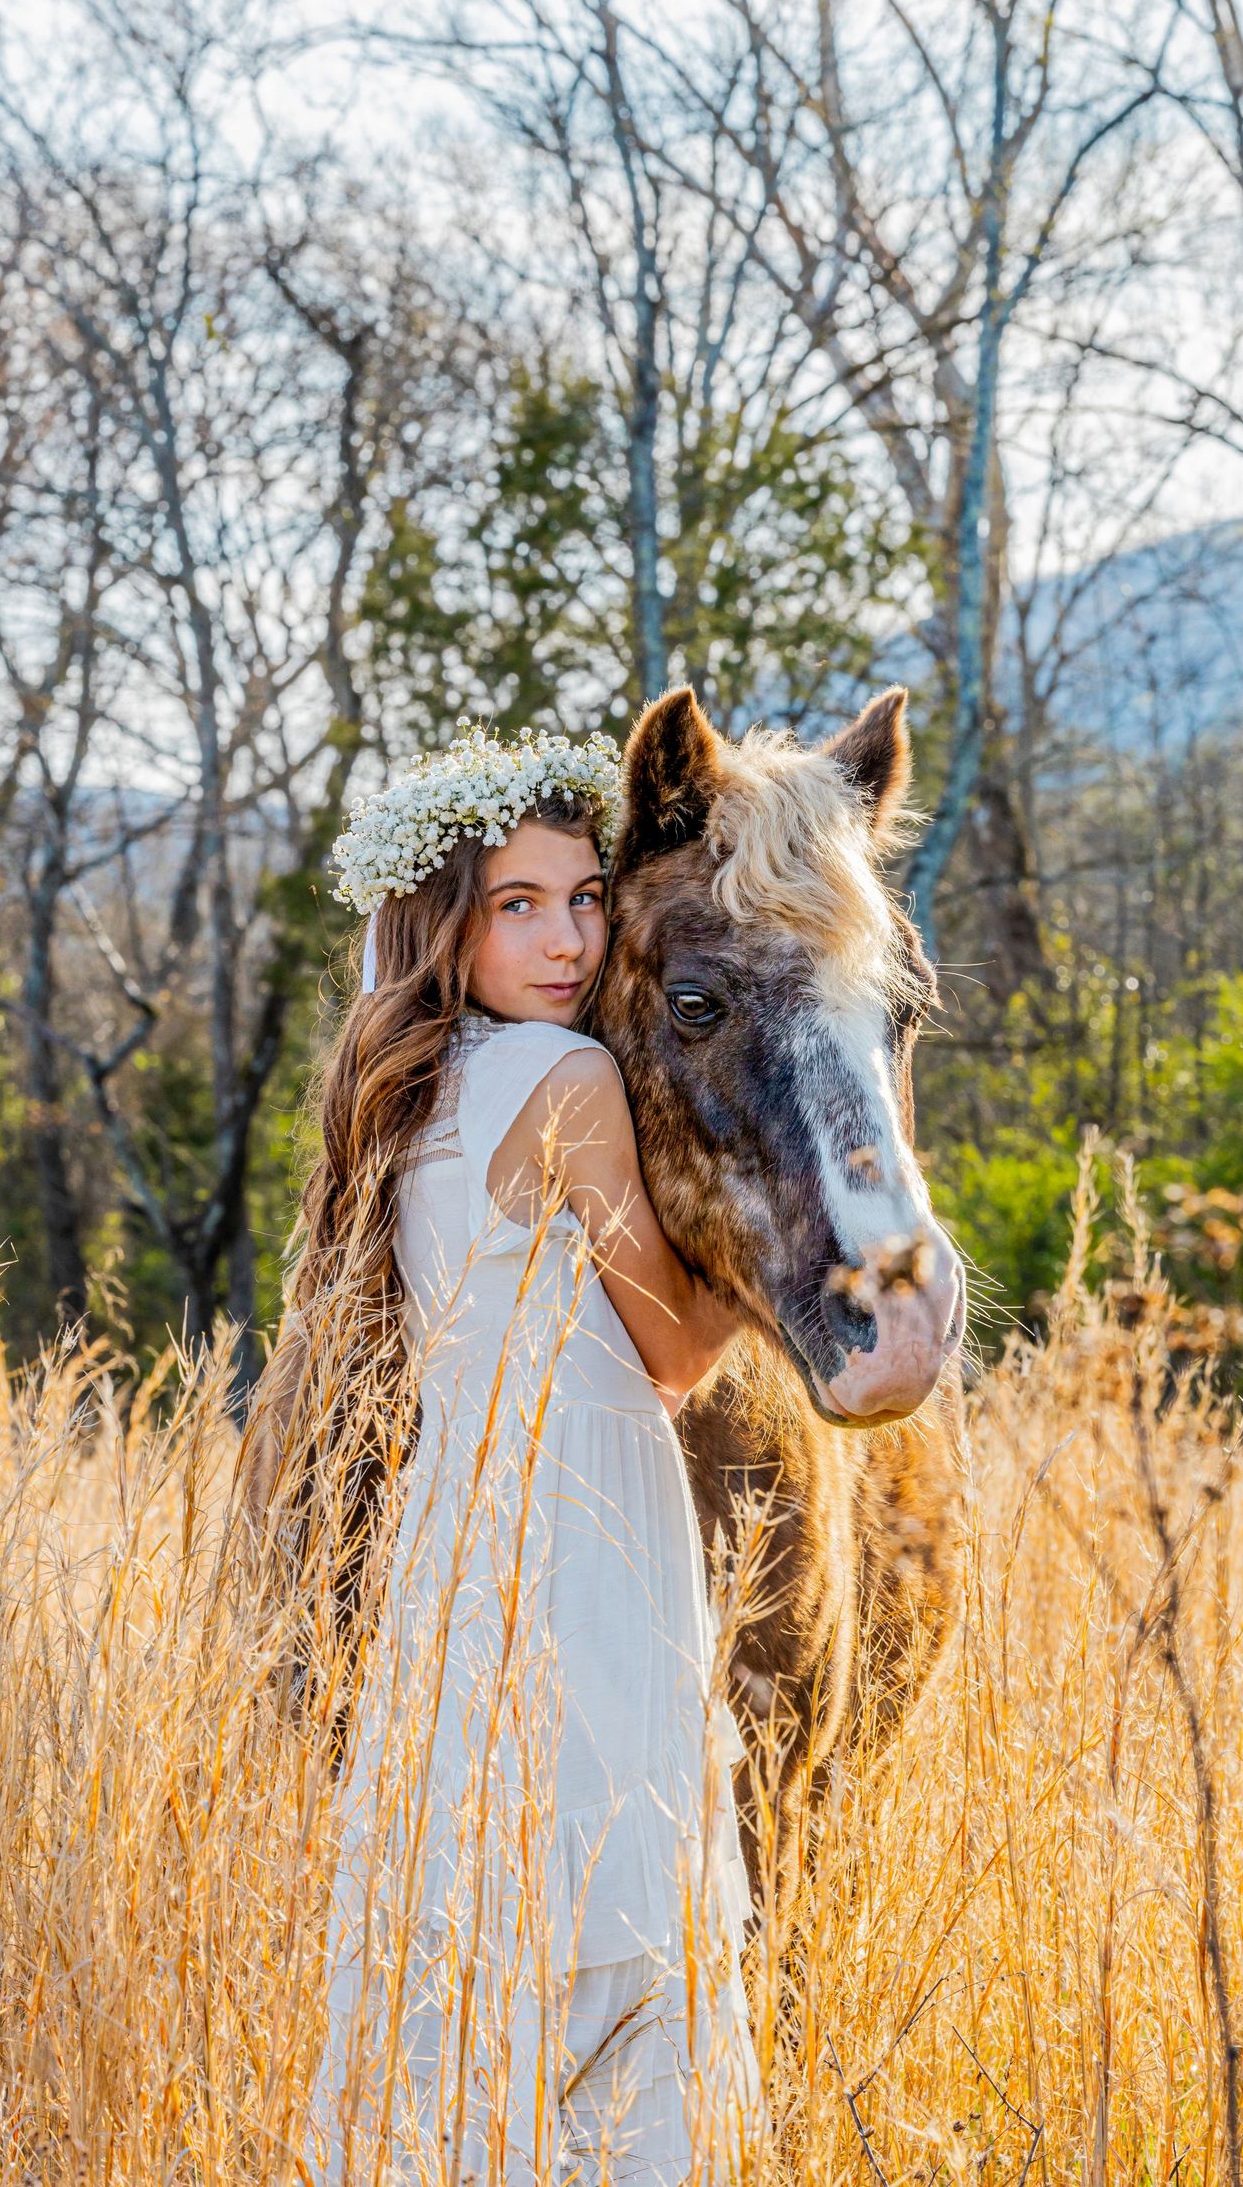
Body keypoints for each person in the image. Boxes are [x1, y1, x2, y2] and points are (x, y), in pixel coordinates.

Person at [244, 722, 765, 2185]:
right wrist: (760, 1229)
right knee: (613, 1911)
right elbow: (670, 1347)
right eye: (517, 903)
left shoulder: (404, 1086)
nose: (566, 936)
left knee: (477, 1936)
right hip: (582, 1544)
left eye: (587, 896)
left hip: (454, 1551)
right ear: (444, 920)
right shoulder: (562, 1076)